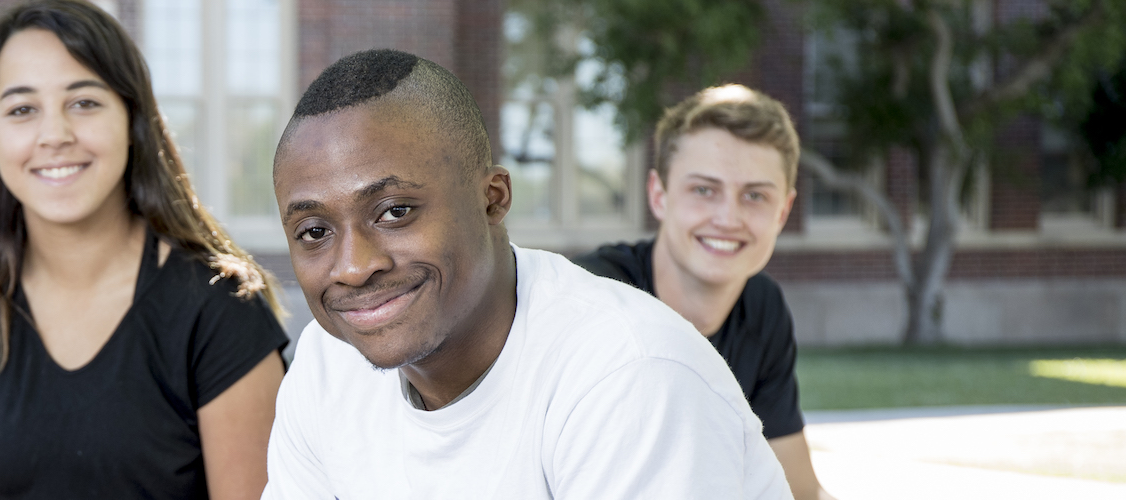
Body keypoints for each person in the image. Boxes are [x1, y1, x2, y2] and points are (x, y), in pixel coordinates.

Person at [263, 48, 789, 499]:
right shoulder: (326, 364)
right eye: (314, 231)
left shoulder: (629, 374)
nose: (354, 268)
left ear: (493, 200)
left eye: (396, 211)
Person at [0, 2, 291, 499]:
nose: (55, 135)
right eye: (22, 109)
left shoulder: (217, 308)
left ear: (131, 115)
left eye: (84, 102)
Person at [573, 84, 835, 500]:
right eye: (704, 190)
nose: (728, 218)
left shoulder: (761, 309)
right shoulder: (595, 300)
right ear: (659, 195)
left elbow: (798, 490)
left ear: (782, 212)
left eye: (754, 196)